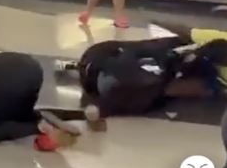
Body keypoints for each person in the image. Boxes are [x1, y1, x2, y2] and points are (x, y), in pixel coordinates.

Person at [58, 32, 227, 116]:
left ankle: (75, 67)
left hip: (97, 58)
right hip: (106, 80)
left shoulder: (177, 46)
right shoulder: (155, 81)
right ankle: (77, 68)